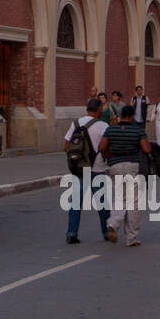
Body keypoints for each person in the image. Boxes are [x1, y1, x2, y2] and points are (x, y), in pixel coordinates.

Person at [100, 106, 152, 247]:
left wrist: (110, 154)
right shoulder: (138, 130)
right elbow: (147, 149)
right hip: (132, 166)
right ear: (133, 116)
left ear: (121, 115)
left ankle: (113, 223)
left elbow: (102, 147)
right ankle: (131, 238)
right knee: (134, 202)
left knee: (119, 199)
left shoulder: (111, 129)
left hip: (115, 166)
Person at [64, 97, 111, 244]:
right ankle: (106, 232)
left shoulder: (76, 123)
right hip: (97, 168)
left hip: (80, 168)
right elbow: (105, 148)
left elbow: (66, 146)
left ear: (86, 109)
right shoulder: (104, 126)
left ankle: (72, 233)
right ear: (99, 110)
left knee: (76, 202)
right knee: (101, 202)